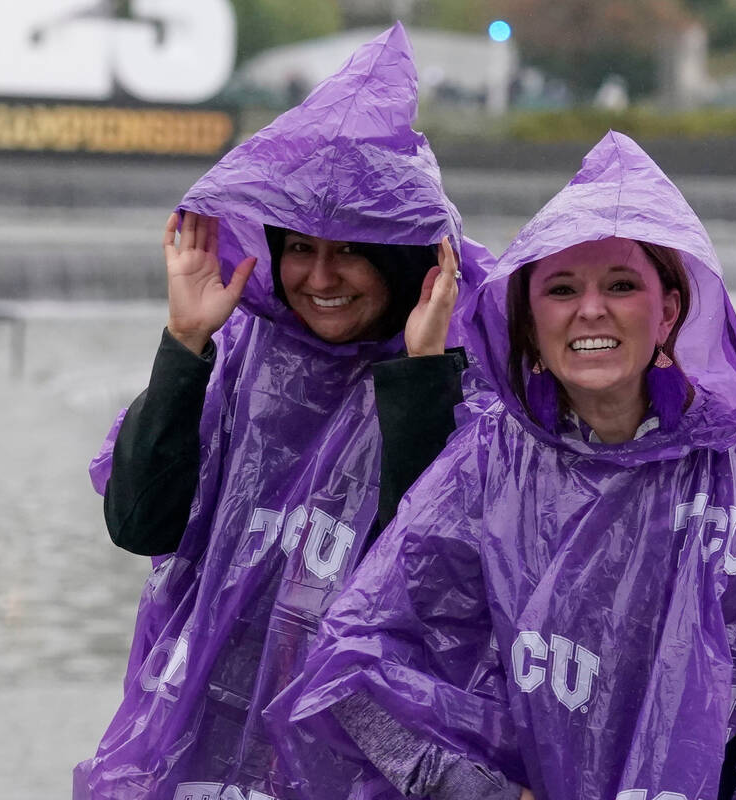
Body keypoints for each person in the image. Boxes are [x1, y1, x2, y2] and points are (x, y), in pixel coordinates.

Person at [274, 132, 736, 800]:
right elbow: (357, 659)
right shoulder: (486, 469)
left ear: (669, 313)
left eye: (622, 284)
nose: (591, 309)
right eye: (562, 289)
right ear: (529, 327)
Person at [73, 25, 491, 800]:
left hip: (361, 757)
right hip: (208, 737)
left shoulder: (470, 379)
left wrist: (421, 374)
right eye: (299, 247)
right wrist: (185, 343)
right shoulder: (240, 355)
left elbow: (435, 587)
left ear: (401, 259)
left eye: (351, 251)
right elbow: (140, 524)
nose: (319, 276)